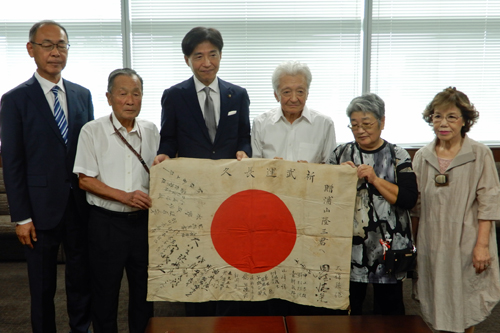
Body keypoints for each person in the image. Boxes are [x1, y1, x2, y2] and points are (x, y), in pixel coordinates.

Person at [0, 20, 93, 333]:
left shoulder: (83, 95)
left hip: (79, 206)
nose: (56, 52)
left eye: (61, 45)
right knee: (42, 287)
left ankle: (81, 329)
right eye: (48, 45)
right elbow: (13, 163)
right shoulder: (14, 100)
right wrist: (21, 217)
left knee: (81, 281)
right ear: (31, 49)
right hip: (39, 211)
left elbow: (88, 154)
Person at [153, 26, 252, 316]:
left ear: (221, 56)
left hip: (229, 190)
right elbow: (168, 137)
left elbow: (244, 136)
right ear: (187, 60)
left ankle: (228, 313)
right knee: (196, 256)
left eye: (212, 55)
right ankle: (195, 317)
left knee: (228, 252)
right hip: (191, 193)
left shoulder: (238, 94)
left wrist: (244, 151)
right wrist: (163, 155)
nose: (206, 62)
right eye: (198, 56)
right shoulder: (174, 95)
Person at [73, 68, 158, 333]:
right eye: (123, 94)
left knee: (145, 294)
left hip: (144, 225)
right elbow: (85, 180)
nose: (130, 100)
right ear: (109, 98)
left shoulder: (152, 130)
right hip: (106, 224)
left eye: (136, 93)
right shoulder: (92, 131)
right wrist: (126, 197)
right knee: (105, 294)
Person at [412, 87, 500, 333]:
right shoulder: (422, 156)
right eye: (437, 116)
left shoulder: (479, 154)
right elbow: (416, 205)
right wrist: (413, 244)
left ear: (465, 121)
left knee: (464, 305)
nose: (443, 123)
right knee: (435, 302)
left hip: (468, 242)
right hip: (431, 241)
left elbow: (489, 202)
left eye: (451, 116)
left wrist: (482, 246)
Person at [327, 93, 417, 315]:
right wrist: (339, 176)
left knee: (389, 312)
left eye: (366, 124)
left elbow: (408, 199)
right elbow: (324, 196)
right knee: (348, 308)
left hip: (389, 248)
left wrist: (375, 179)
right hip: (350, 248)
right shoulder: (340, 153)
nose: (360, 130)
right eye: (354, 125)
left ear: (382, 122)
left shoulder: (397, 154)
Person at [251, 60, 336, 163]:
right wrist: (270, 167)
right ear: (276, 95)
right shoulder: (260, 123)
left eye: (300, 92)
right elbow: (254, 167)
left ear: (307, 93)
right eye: (287, 92)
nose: (294, 99)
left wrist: (311, 170)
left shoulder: (324, 124)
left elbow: (331, 168)